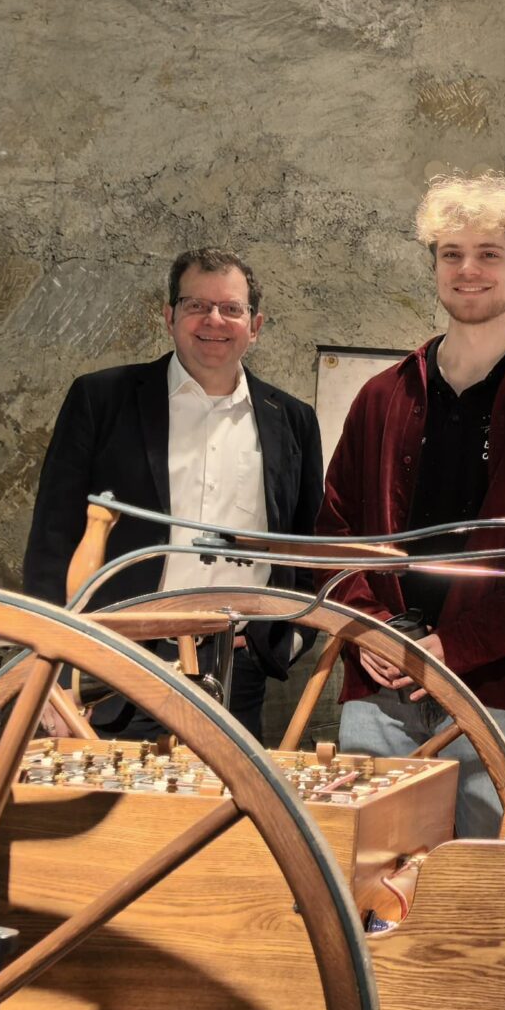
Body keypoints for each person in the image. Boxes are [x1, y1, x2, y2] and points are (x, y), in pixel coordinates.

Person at [320, 175, 505, 840]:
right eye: (451, 254)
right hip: (380, 690)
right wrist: (373, 631)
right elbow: (336, 534)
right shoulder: (380, 397)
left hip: (497, 695)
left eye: (488, 253)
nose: (468, 270)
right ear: (434, 268)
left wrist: (456, 645)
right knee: (367, 882)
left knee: (480, 891)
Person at [22, 247, 323, 737]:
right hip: (111, 668)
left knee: (229, 810)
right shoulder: (101, 400)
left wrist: (285, 640)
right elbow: (51, 543)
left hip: (236, 671)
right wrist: (51, 664)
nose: (214, 320)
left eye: (231, 308)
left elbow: (306, 543)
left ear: (256, 324)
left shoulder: (291, 420)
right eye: (196, 305)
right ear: (169, 316)